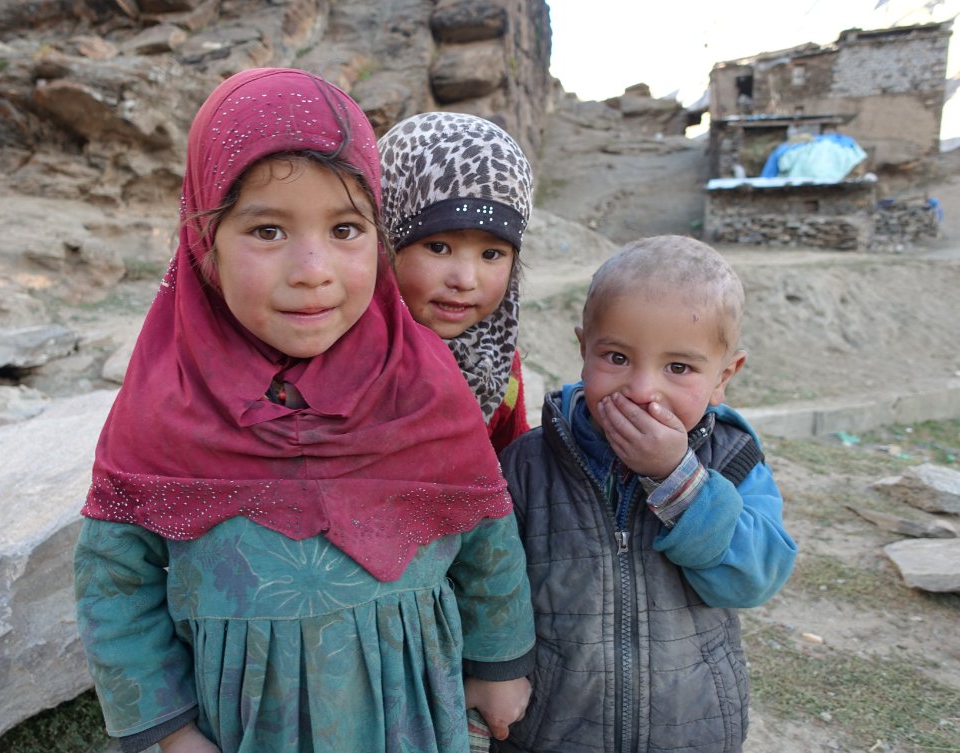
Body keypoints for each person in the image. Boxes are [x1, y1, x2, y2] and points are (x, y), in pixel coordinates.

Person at [72, 67, 535, 753]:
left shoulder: (422, 385)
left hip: (406, 714)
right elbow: (115, 579)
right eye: (267, 230)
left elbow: (485, 531)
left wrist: (500, 661)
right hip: (246, 726)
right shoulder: (162, 406)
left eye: (347, 228)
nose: (313, 267)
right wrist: (166, 730)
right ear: (205, 242)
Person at [498, 236, 798, 753]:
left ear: (724, 376)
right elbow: (492, 579)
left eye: (678, 368)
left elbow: (755, 578)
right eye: (616, 356)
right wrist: (495, 668)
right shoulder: (531, 461)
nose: (641, 389)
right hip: (553, 727)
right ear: (583, 348)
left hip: (690, 726)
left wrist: (679, 479)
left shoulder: (732, 459)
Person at [377, 111, 534, 455]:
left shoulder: (500, 362)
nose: (464, 280)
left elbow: (512, 467)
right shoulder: (348, 355)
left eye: (491, 254)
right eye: (438, 247)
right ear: (385, 243)